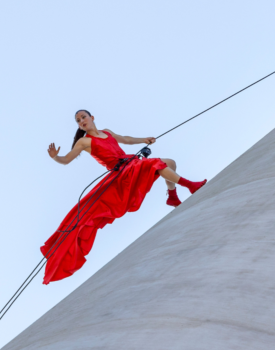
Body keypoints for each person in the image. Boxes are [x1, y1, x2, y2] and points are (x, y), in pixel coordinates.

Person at [41, 109, 206, 284]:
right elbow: (66, 160)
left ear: (92, 117)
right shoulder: (84, 141)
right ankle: (191, 185)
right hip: (121, 173)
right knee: (157, 165)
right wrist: (55, 157)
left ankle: (172, 196)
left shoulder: (106, 132)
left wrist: (144, 139)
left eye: (83, 117)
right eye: (78, 120)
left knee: (170, 163)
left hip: (130, 162)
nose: (81, 121)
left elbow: (125, 139)